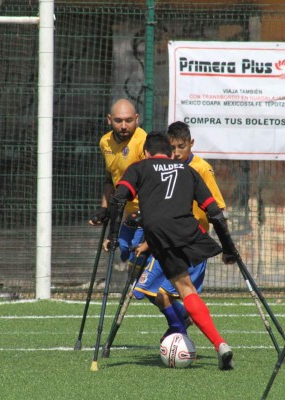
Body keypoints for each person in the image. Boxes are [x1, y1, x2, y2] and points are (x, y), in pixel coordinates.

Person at [106, 132, 236, 370]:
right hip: (189, 231)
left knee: (175, 288)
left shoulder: (139, 167)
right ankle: (220, 344)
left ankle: (183, 328)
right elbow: (215, 212)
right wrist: (229, 249)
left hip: (159, 234)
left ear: (146, 153)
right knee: (188, 291)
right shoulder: (188, 170)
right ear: (170, 153)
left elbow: (119, 198)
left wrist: (111, 233)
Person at [131, 121, 227, 341]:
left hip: (189, 244)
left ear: (191, 144)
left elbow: (217, 208)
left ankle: (179, 333)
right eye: (171, 148)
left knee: (170, 292)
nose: (175, 153)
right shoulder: (163, 168)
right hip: (164, 241)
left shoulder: (200, 169)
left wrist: (226, 245)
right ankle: (183, 319)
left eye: (181, 147)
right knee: (144, 289)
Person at [89, 98, 147, 263]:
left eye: (128, 120)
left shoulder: (143, 142)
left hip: (146, 212)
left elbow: (152, 182)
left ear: (136, 118)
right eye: (118, 120)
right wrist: (104, 208)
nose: (123, 126)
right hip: (126, 211)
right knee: (123, 251)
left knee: (138, 252)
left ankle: (143, 287)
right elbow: (110, 177)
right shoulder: (104, 142)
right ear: (109, 120)